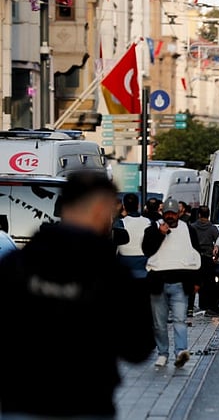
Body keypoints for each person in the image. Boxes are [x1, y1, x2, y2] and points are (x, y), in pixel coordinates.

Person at [0, 171, 155, 418]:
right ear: (100, 210)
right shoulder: (113, 276)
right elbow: (138, 348)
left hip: (21, 402)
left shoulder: (15, 265)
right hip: (86, 403)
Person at [143, 197, 202, 368]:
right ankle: (163, 353)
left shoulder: (188, 230)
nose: (170, 217)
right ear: (162, 213)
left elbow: (196, 255)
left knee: (180, 320)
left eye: (173, 213)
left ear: (179, 214)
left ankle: (180, 352)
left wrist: (197, 281)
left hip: (180, 283)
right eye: (167, 213)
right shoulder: (153, 229)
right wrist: (160, 234)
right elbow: (147, 249)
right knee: (159, 323)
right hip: (158, 283)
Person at [191, 205, 219, 315]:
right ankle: (208, 305)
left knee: (195, 281)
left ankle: (192, 306)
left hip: (196, 257)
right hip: (208, 258)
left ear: (199, 214)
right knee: (209, 283)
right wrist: (216, 256)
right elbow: (218, 243)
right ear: (208, 214)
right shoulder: (212, 228)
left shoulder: (193, 227)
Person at [118, 193, 152, 284]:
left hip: (125, 266)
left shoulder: (119, 223)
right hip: (145, 267)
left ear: (124, 206)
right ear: (138, 205)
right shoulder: (149, 222)